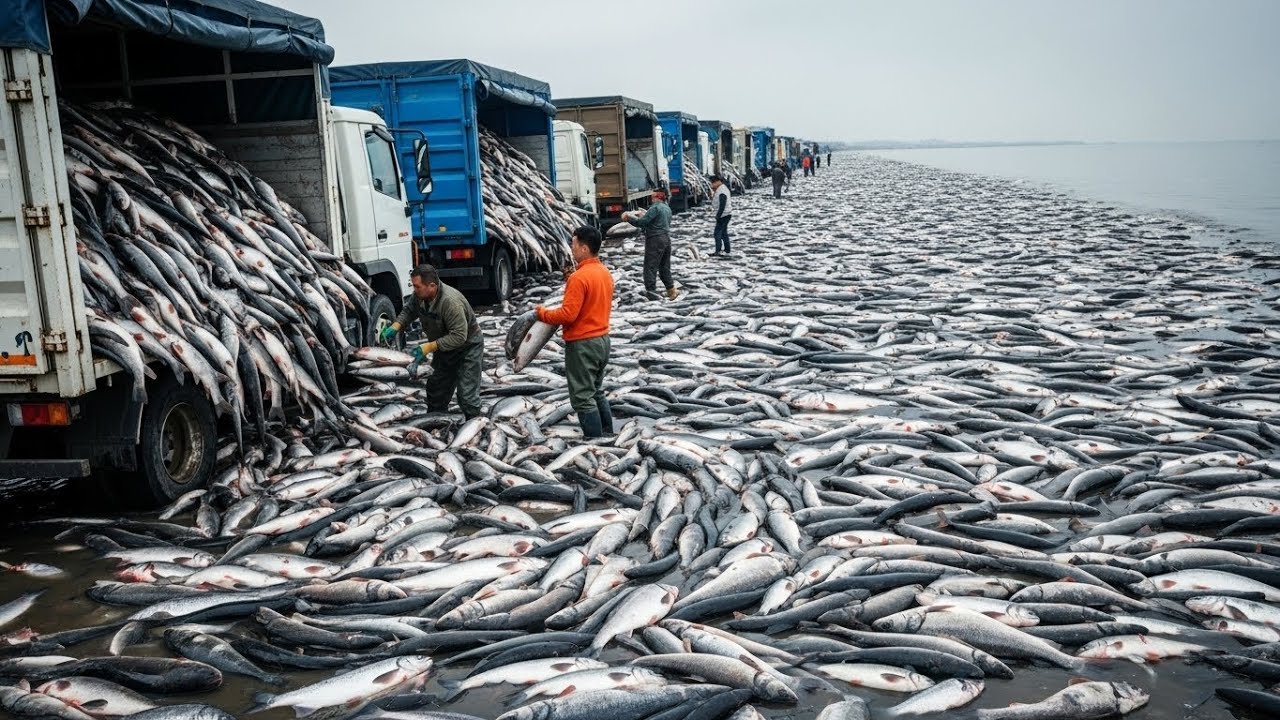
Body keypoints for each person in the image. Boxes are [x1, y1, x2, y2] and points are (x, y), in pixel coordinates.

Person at [536, 226, 614, 439]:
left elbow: (568, 315)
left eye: (574, 244)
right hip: (602, 341)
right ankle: (609, 435)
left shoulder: (579, 278)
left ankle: (596, 443)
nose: (572, 248)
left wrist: (542, 313)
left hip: (583, 345)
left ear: (585, 248)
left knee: (583, 397)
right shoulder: (603, 272)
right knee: (596, 391)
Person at [380, 264, 483, 418]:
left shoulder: (451, 302)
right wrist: (396, 326)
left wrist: (428, 347)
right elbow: (409, 311)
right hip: (443, 348)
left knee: (467, 397)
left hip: (467, 348)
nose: (414, 290)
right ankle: (437, 423)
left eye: (417, 286)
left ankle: (475, 425)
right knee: (436, 391)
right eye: (413, 286)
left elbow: (459, 336)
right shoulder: (420, 295)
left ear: (432, 286)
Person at [625, 189, 677, 300]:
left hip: (655, 240)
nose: (651, 198)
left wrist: (629, 218)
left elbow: (642, 223)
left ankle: (651, 293)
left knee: (650, 267)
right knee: (664, 267)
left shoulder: (655, 208)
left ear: (657, 197)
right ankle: (671, 290)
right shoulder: (667, 208)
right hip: (666, 239)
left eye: (652, 196)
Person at [710, 175, 732, 256]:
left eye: (712, 183)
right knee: (723, 233)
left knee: (717, 233)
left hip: (723, 215)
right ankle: (727, 249)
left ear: (717, 182)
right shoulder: (721, 188)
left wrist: (718, 215)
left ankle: (718, 251)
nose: (712, 185)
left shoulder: (722, 190)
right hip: (726, 214)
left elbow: (723, 204)